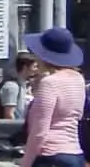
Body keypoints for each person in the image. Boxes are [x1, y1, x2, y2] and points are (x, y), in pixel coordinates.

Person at [19, 26, 84, 167]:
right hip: (75, 154)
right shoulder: (78, 79)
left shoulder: (49, 83)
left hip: (50, 157)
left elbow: (39, 132)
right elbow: (77, 117)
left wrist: (26, 163)